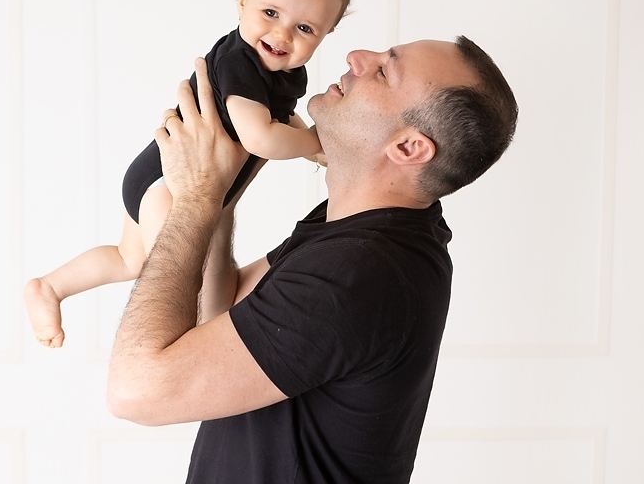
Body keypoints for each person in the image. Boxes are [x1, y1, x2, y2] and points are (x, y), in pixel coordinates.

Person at [106, 36, 519, 482]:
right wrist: (221, 188)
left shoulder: (360, 273)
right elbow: (220, 312)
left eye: (383, 71)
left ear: (408, 148)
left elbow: (135, 391)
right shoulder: (373, 231)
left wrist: (196, 198)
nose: (357, 57)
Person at [24, 0, 351, 347]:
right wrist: (315, 143)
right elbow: (261, 137)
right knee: (183, 292)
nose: (282, 35)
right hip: (170, 186)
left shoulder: (284, 71)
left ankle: (50, 287)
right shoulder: (241, 61)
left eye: (305, 28)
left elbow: (282, 118)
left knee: (130, 260)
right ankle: (170, 362)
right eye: (270, 13)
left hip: (159, 176)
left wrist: (315, 149)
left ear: (326, 34)